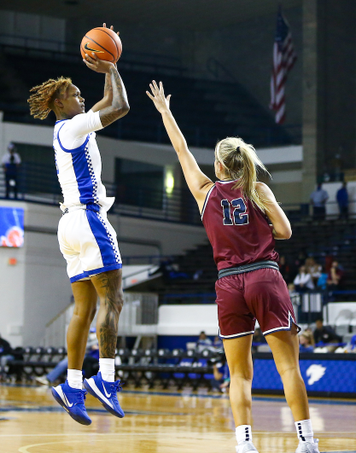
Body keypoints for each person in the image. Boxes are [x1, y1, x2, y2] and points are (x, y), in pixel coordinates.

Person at [147, 80, 320, 453]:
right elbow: (286, 231)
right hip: (264, 276)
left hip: (228, 284)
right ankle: (306, 443)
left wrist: (165, 111)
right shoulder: (259, 189)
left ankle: (245, 444)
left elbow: (180, 150)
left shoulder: (203, 191)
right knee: (288, 367)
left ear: (219, 164)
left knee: (239, 373)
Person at [27, 24, 130, 426]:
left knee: (83, 312)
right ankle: (105, 379)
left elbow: (105, 101)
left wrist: (105, 73)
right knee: (113, 301)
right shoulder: (72, 127)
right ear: (59, 100)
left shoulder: (69, 126)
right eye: (74, 93)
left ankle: (71, 385)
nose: (82, 97)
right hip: (88, 218)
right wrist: (112, 66)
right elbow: (119, 105)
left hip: (67, 225)